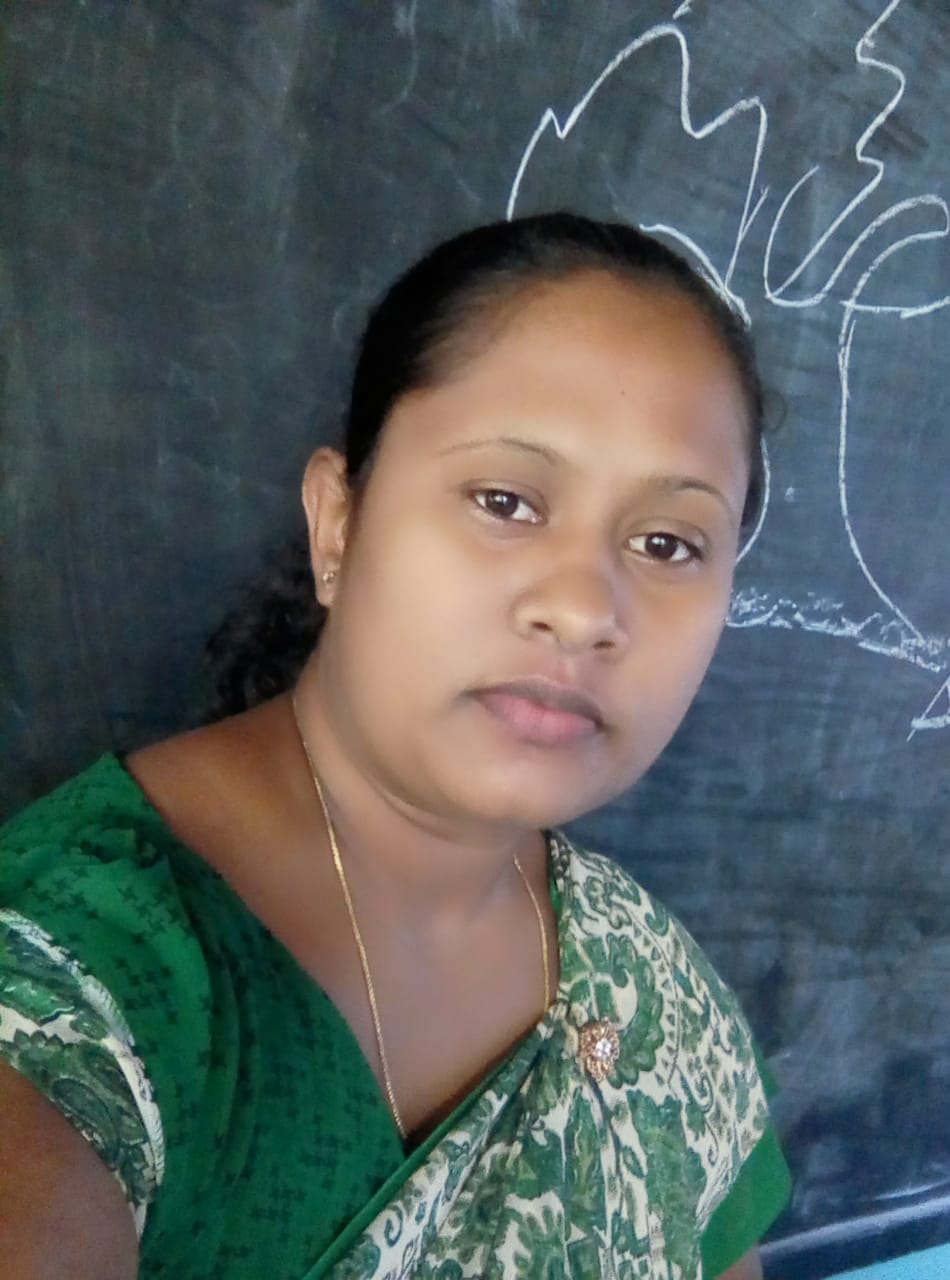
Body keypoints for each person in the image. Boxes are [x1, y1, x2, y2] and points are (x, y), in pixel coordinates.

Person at [0, 213, 790, 1279]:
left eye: (667, 542)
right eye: (506, 500)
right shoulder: (88, 979)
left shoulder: (647, 984)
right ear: (338, 522)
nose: (583, 607)